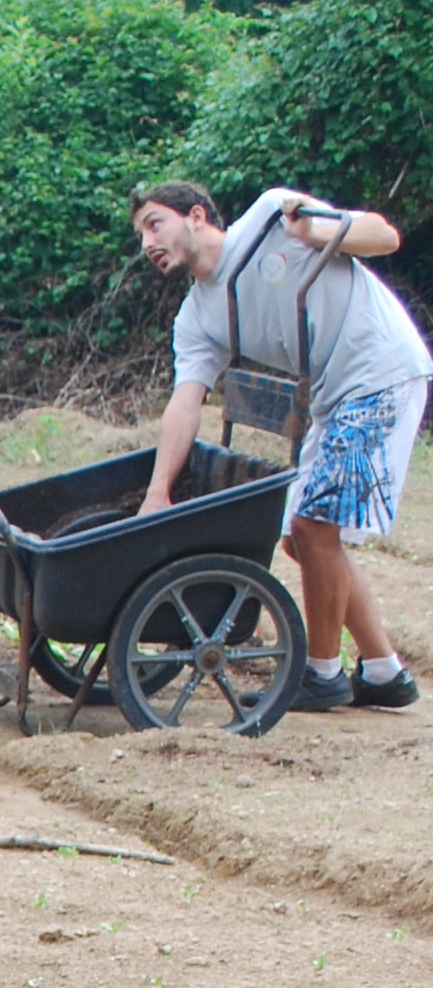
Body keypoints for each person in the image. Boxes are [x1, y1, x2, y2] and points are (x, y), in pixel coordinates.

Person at [131, 179, 423, 711]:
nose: (148, 243)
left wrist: (314, 231)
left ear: (196, 216)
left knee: (314, 527)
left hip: (380, 373)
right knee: (298, 537)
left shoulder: (271, 218)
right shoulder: (197, 318)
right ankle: (384, 671)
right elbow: (185, 404)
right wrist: (157, 493)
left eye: (155, 224)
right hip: (332, 399)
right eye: (141, 236)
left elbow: (385, 237)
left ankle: (323, 674)